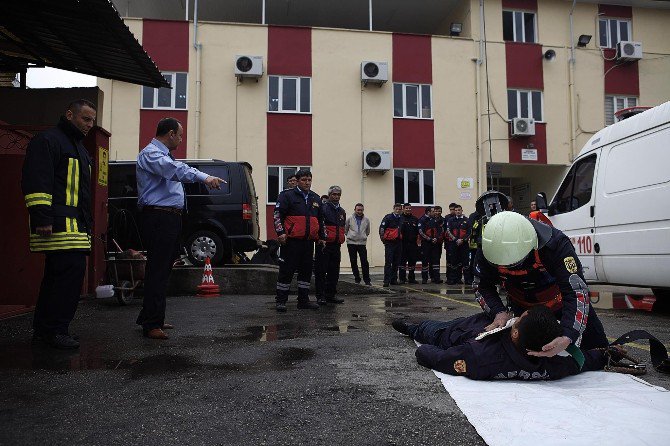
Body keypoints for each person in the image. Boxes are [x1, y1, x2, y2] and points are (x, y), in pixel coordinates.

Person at [136, 117, 225, 340]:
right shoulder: (152, 154)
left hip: (169, 217)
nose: (181, 139)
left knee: (163, 269)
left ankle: (153, 316)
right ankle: (151, 323)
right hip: (159, 217)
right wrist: (205, 177)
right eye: (180, 135)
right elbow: (175, 170)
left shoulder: (163, 155)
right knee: (157, 269)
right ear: (170, 134)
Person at [473, 211, 608, 356]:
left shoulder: (556, 244)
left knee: (600, 352)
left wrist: (568, 335)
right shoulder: (488, 247)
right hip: (523, 311)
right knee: (523, 357)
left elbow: (576, 291)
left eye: (516, 263)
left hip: (562, 304)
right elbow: (481, 286)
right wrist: (498, 312)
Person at [21, 99, 97, 349]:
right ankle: (55, 331)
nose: (90, 124)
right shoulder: (49, 141)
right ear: (69, 115)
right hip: (58, 226)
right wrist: (42, 217)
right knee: (66, 279)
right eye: (85, 119)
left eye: (92, 120)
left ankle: (46, 331)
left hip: (74, 228)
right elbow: (37, 180)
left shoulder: (79, 147)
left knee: (57, 279)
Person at [392, 305, 609, 380]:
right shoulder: (553, 362)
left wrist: (431, 345)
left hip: (451, 334)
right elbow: (584, 361)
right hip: (481, 322)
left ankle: (410, 328)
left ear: (515, 334)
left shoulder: (480, 358)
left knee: (425, 329)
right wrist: (607, 354)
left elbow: (430, 355)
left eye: (521, 318)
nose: (520, 315)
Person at [274, 169, 326, 312]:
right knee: (286, 271)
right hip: (291, 242)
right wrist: (281, 233)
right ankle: (281, 301)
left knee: (306, 272)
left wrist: (322, 237)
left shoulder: (315, 198)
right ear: (297, 181)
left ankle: (303, 301)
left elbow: (320, 220)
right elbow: (278, 215)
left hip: (308, 242)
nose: (307, 182)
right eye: (304, 180)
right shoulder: (287, 196)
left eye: (309, 180)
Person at [314, 186, 346, 305]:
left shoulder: (342, 211)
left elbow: (342, 228)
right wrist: (321, 238)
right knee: (321, 271)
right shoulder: (323, 208)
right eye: (334, 194)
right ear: (329, 195)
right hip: (324, 244)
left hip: (336, 245)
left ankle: (330, 295)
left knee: (334, 271)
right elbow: (318, 225)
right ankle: (320, 296)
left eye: (338, 194)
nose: (336, 196)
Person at [345, 203, 371, 285]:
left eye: (361, 210)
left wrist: (363, 237)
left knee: (364, 262)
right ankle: (357, 278)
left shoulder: (366, 220)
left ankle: (367, 280)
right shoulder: (349, 218)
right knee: (353, 261)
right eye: (358, 210)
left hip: (362, 243)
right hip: (351, 243)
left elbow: (368, 231)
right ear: (355, 210)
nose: (360, 211)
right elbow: (345, 229)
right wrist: (350, 236)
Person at [445, 204, 471, 285]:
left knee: (465, 262)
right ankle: (454, 279)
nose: (457, 212)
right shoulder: (450, 220)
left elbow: (469, 232)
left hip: (464, 244)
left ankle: (467, 280)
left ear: (462, 211)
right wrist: (456, 240)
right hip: (454, 244)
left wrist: (463, 240)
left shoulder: (467, 220)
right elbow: (449, 231)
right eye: (456, 210)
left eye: (459, 210)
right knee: (454, 262)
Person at [379, 204, 404, 287]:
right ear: (393, 209)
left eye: (399, 209)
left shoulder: (402, 218)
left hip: (398, 242)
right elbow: (382, 228)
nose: (398, 211)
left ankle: (394, 279)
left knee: (396, 262)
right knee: (388, 262)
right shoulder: (388, 217)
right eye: (396, 209)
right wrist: (383, 239)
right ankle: (386, 280)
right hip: (389, 243)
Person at [418, 206, 444, 284]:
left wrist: (436, 238)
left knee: (435, 261)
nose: (435, 212)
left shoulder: (435, 220)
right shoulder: (422, 220)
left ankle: (436, 278)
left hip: (434, 243)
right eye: (433, 211)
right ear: (428, 212)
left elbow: (440, 230)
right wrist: (429, 239)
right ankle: (424, 278)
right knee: (425, 261)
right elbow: (420, 232)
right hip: (426, 243)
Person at [399, 203, 419, 284]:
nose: (408, 209)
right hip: (402, 244)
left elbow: (418, 231)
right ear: (403, 209)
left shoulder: (415, 219)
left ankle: (411, 278)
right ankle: (402, 279)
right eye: (406, 208)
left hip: (413, 244)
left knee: (412, 262)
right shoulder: (400, 218)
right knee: (402, 262)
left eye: (409, 208)